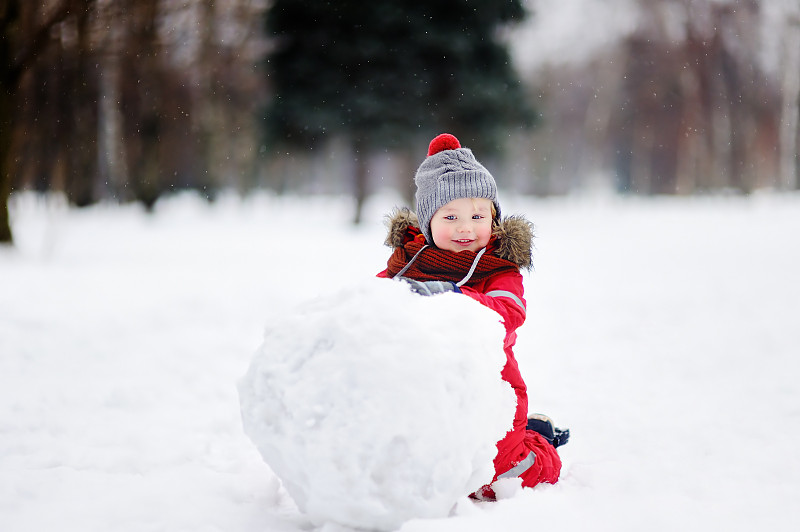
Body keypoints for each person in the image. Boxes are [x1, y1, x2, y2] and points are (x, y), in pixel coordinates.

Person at [377, 133, 569, 500]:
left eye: (478, 216)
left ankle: (539, 442)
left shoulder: (498, 269)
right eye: (451, 217)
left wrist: (454, 295)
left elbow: (508, 313)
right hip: (424, 390)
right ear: (428, 223)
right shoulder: (407, 266)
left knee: (502, 477)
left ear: (493, 219)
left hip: (492, 388)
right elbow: (370, 305)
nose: (465, 228)